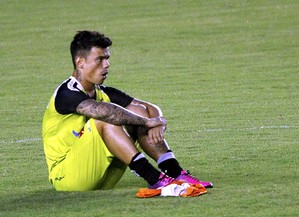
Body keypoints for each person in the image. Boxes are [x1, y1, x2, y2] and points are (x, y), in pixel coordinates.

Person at [42, 30, 213, 192]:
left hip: (102, 178)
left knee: (137, 111)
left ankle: (176, 173)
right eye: (99, 60)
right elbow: (105, 112)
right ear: (80, 63)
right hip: (67, 178)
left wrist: (157, 122)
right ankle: (156, 180)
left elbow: (148, 108)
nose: (107, 65)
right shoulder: (66, 94)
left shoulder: (103, 92)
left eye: (107, 58)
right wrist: (147, 122)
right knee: (106, 118)